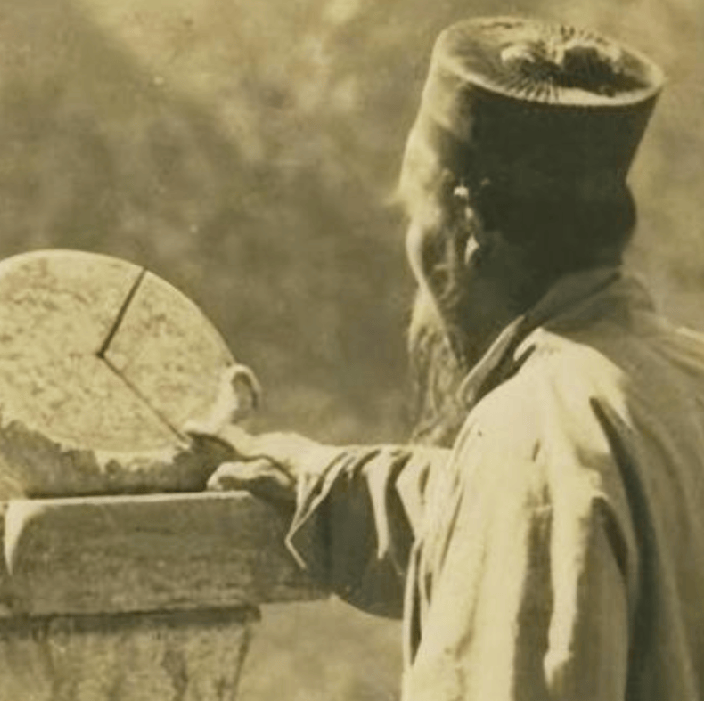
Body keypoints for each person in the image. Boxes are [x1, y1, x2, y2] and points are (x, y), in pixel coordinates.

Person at [188, 16, 704, 701]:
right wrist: (318, 476)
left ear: (466, 229)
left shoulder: (528, 441)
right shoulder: (676, 375)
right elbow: (489, 513)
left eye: (414, 215)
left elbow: (529, 500)